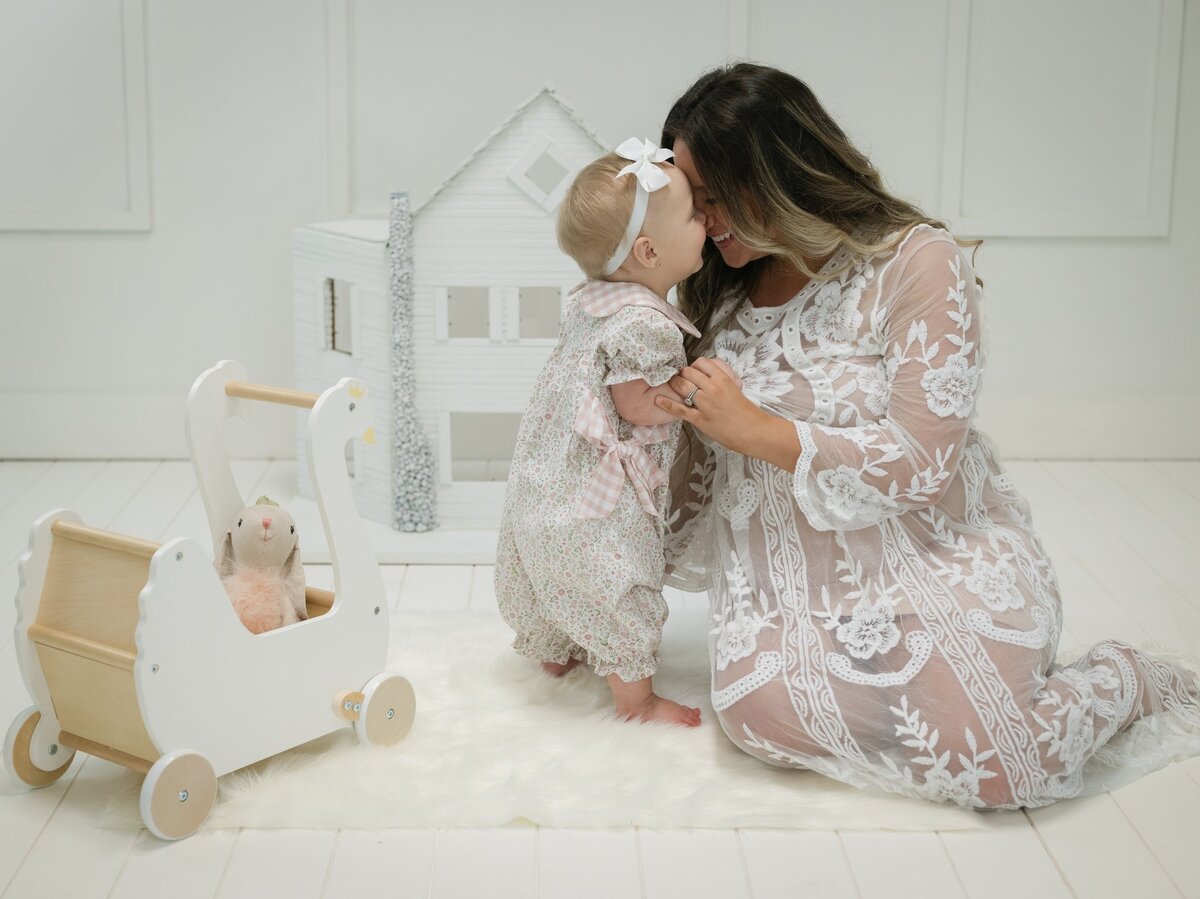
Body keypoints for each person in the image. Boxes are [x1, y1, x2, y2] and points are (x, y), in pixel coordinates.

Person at [652, 63, 1200, 806]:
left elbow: (923, 463)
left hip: (933, 557)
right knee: (762, 721)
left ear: (777, 173)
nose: (704, 223)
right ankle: (922, 699)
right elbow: (687, 488)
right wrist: (599, 593)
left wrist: (757, 429)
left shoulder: (913, 262)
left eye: (715, 198)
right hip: (789, 589)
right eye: (693, 202)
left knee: (1000, 765)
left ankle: (1128, 676)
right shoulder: (712, 297)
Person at [495, 138, 712, 727]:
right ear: (648, 250)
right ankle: (636, 703)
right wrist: (691, 393)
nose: (706, 221)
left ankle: (557, 653)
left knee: (555, 562)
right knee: (616, 571)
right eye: (695, 215)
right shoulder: (646, 323)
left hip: (552, 476)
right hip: (602, 487)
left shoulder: (593, 301)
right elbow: (639, 406)